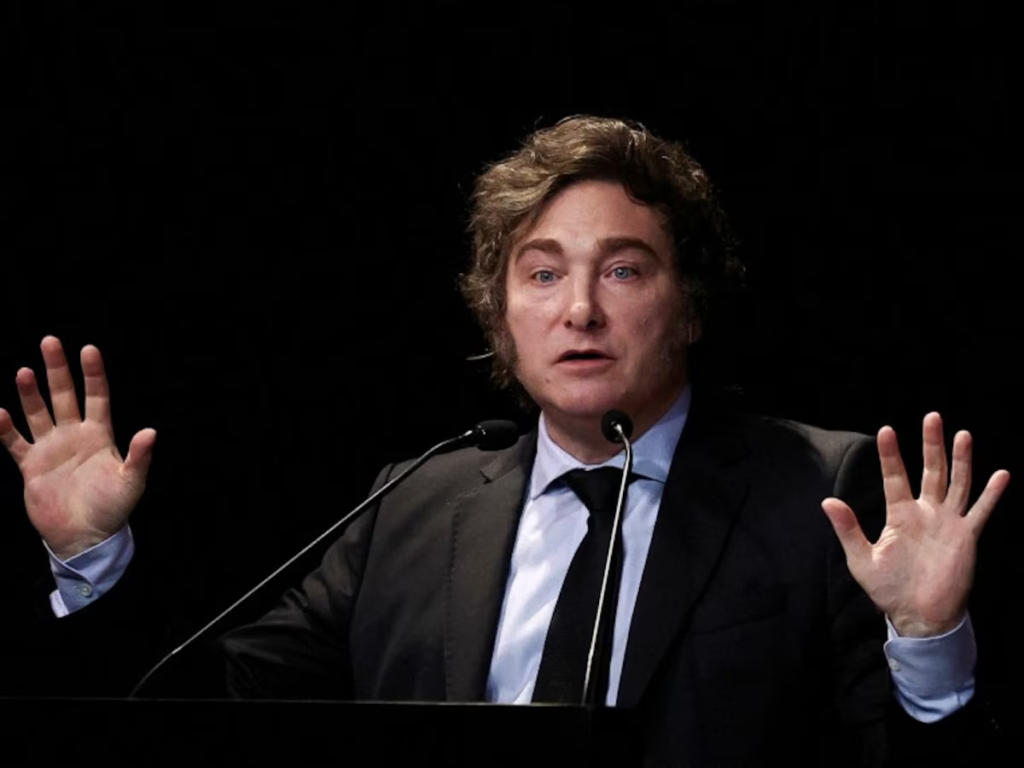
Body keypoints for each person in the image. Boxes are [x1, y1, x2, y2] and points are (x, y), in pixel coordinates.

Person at [0, 116, 1009, 765]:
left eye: (623, 270)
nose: (579, 309)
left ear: (691, 305)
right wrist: (92, 558)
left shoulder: (817, 491)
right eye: (541, 273)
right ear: (499, 314)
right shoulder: (413, 503)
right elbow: (199, 712)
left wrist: (929, 646)